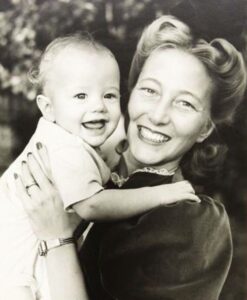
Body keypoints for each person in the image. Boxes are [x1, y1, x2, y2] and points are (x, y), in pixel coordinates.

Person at [12, 14, 247, 300]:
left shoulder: (190, 222)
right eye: (149, 90)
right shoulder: (85, 165)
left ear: (205, 127)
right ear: (130, 92)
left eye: (185, 103)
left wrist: (56, 237)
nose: (158, 116)